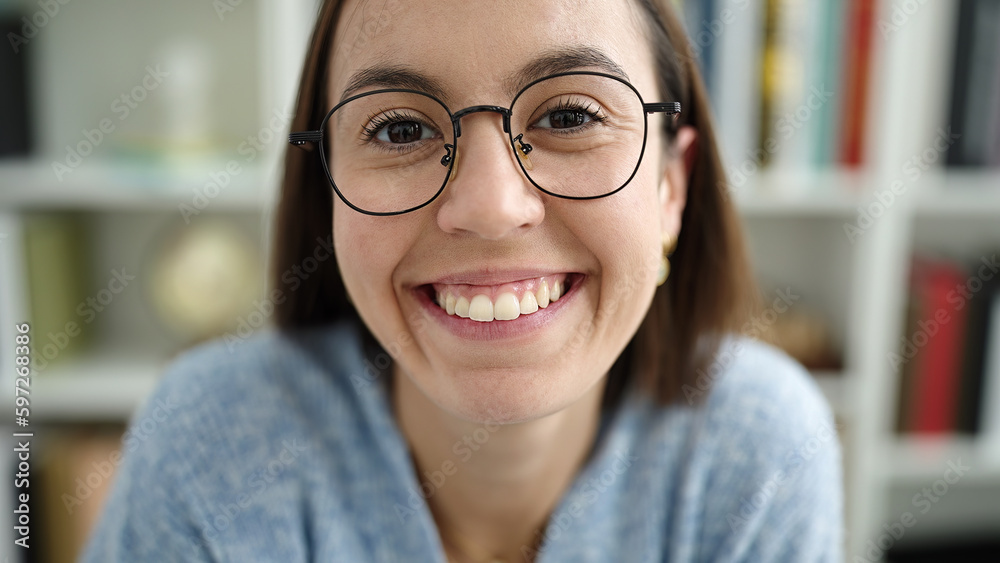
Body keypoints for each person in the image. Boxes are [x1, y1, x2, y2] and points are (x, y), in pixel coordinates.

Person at [84, 0, 843, 561]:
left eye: (572, 115)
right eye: (400, 129)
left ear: (671, 187)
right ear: (327, 195)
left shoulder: (760, 450)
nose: (488, 206)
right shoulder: (205, 444)